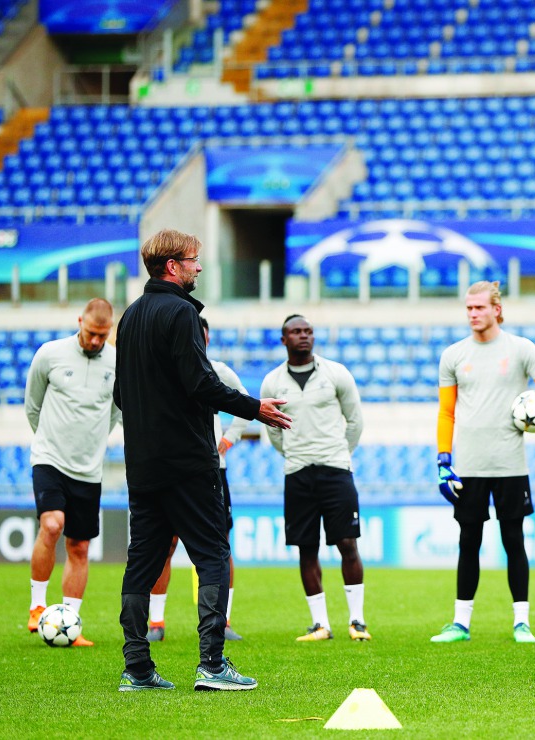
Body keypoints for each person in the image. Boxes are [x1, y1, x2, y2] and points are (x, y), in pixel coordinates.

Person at [115, 229, 291, 692]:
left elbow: (120, 393)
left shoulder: (130, 317)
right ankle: (212, 665)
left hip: (143, 464)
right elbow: (200, 383)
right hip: (189, 461)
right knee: (212, 555)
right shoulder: (181, 313)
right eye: (193, 260)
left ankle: (136, 669)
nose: (198, 267)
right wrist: (255, 408)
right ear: (172, 266)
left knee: (142, 563)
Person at [434, 281, 535, 644]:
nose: (473, 314)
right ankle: (460, 624)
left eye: (479, 307)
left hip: (511, 465)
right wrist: (443, 460)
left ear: (497, 309)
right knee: (469, 541)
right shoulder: (453, 355)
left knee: (514, 540)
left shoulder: (521, 349)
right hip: (468, 466)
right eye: (468, 308)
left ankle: (521, 623)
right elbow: (446, 413)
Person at [260, 315, 366, 642]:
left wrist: (336, 453)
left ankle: (357, 622)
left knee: (347, 544)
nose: (303, 336)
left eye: (308, 331)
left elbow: (355, 421)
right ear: (283, 339)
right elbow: (273, 432)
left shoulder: (336, 373)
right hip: (297, 473)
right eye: (296, 331)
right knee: (307, 548)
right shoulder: (272, 382)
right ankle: (320, 624)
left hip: (336, 470)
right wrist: (297, 453)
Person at [147, 316, 249, 643]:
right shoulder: (164, 370)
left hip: (212, 471)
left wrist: (230, 438)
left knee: (220, 545)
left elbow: (248, 404)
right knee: (164, 544)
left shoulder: (219, 371)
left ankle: (225, 620)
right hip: (171, 470)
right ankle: (156, 623)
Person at [25, 298, 120, 647]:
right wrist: (51, 443)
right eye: (91, 333)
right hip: (50, 458)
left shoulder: (117, 361)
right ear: (79, 321)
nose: (96, 341)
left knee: (79, 546)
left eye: (103, 335)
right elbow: (32, 406)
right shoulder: (49, 354)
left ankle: (69, 621)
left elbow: (116, 413)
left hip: (88, 469)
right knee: (51, 524)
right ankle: (37, 607)